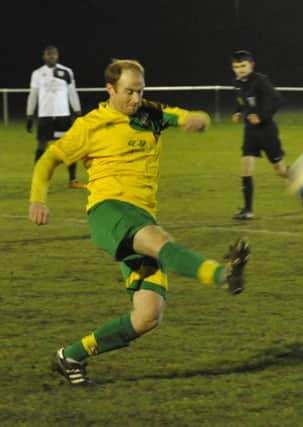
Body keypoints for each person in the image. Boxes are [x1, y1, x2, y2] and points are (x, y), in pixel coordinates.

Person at [29, 59, 250, 385]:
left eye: (140, 91)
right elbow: (49, 159)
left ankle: (70, 356)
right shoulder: (91, 125)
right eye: (129, 92)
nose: (135, 99)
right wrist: (38, 198)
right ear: (110, 89)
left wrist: (196, 120)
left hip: (141, 215)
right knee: (162, 242)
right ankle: (223, 275)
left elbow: (190, 116)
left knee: (147, 316)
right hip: (110, 211)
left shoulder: (150, 113)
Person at [230, 50, 303, 220]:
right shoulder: (237, 83)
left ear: (252, 65)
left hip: (267, 131)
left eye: (243, 66)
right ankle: (248, 210)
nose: (240, 70)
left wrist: (261, 116)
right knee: (245, 167)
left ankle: (302, 186)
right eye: (236, 67)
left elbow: (278, 99)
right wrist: (237, 112)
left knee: (280, 170)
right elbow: (241, 102)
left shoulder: (261, 80)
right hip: (250, 132)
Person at [26, 45, 86, 189]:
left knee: (68, 147)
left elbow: (72, 93)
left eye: (53, 54)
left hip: (63, 116)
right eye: (48, 54)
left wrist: (77, 112)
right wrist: (29, 115)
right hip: (45, 117)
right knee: (41, 146)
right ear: (44, 56)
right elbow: (33, 95)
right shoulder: (37, 74)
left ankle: (72, 180)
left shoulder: (66, 72)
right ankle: (38, 179)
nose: (51, 57)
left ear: (57, 56)